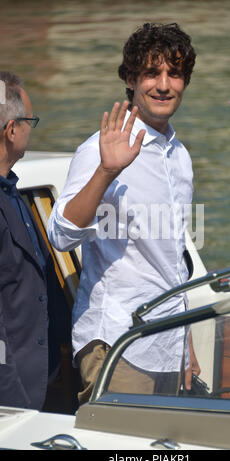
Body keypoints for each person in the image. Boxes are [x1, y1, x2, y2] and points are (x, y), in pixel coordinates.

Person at [48, 23, 200, 404]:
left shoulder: (179, 156)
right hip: (118, 344)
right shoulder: (100, 150)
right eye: (151, 73)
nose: (164, 85)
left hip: (168, 342)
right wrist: (107, 171)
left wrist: (187, 342)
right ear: (131, 79)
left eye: (175, 73)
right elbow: (62, 236)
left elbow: (173, 258)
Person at [0, 71, 69, 410]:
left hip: (42, 377)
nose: (32, 127)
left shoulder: (13, 191)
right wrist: (11, 394)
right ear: (12, 130)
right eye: (30, 120)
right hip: (14, 393)